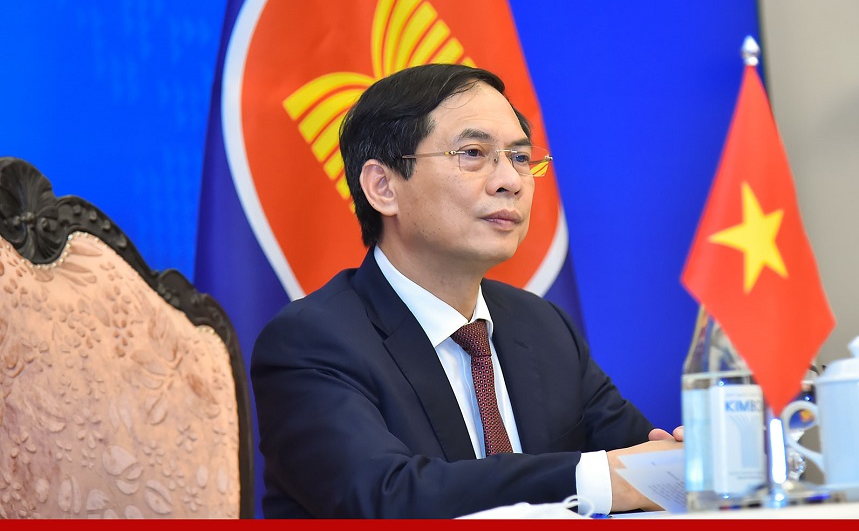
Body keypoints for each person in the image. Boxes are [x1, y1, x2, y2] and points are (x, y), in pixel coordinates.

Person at [250, 63, 683, 519]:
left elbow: (639, 466)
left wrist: (682, 466)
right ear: (383, 187)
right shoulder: (312, 341)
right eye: (474, 153)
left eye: (520, 158)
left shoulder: (543, 328)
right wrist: (595, 479)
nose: (510, 181)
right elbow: (386, 497)